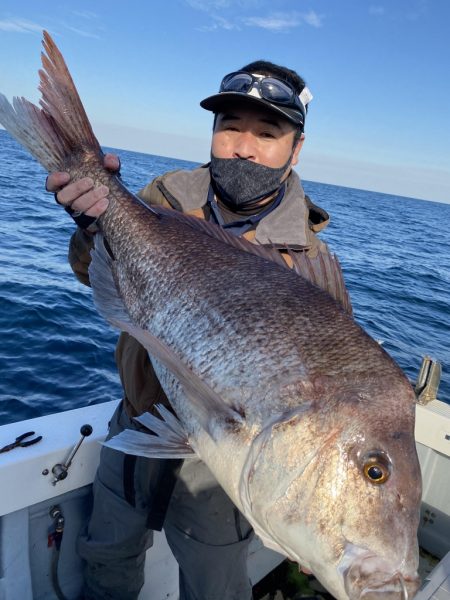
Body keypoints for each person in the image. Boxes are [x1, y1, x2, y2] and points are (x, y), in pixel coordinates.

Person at [46, 60, 331, 600]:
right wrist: (94, 229)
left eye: (267, 134)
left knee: (216, 588)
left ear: (296, 149)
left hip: (220, 466)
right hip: (134, 422)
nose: (243, 146)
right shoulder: (162, 198)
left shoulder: (308, 259)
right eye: (229, 127)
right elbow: (90, 272)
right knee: (107, 559)